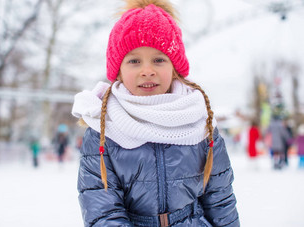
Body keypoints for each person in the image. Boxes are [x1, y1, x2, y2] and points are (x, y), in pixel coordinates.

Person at [72, 1, 239, 226]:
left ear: (174, 67)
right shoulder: (104, 128)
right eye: (134, 61)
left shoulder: (199, 121)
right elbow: (103, 211)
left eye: (159, 60)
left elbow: (220, 198)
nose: (147, 71)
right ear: (119, 71)